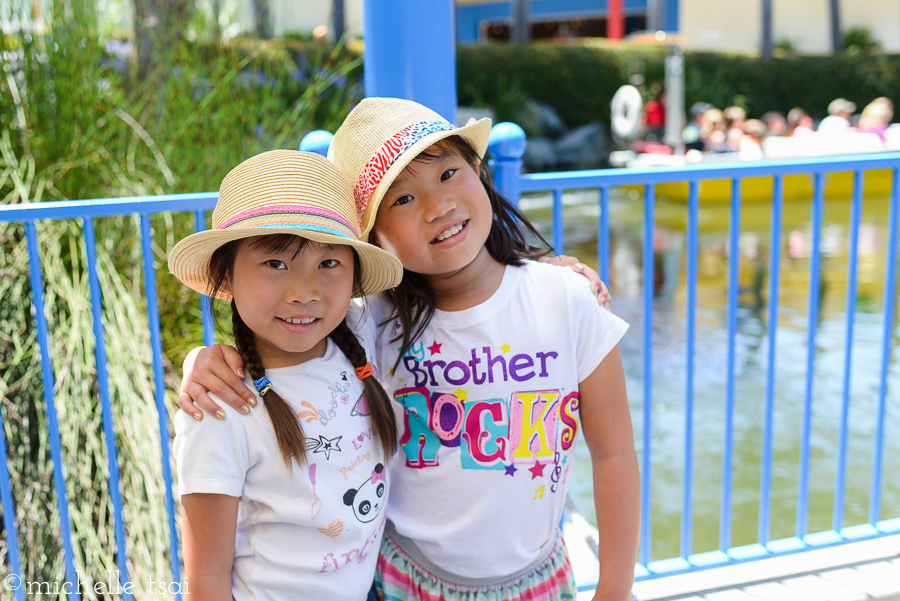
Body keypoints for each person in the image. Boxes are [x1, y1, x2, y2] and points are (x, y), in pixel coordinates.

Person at [181, 98, 639, 601]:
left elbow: (614, 453)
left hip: (538, 581)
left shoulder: (565, 301)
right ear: (374, 238)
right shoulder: (370, 319)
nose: (437, 206)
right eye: (401, 199)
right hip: (405, 583)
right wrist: (203, 360)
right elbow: (288, 331)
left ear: (479, 171)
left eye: (448, 173)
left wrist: (614, 588)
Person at [169, 150, 404, 601]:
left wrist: (552, 271)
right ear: (227, 276)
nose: (304, 292)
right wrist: (198, 358)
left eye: (329, 263)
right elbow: (206, 580)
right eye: (276, 264)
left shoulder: (355, 331)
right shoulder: (221, 408)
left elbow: (449, 280)